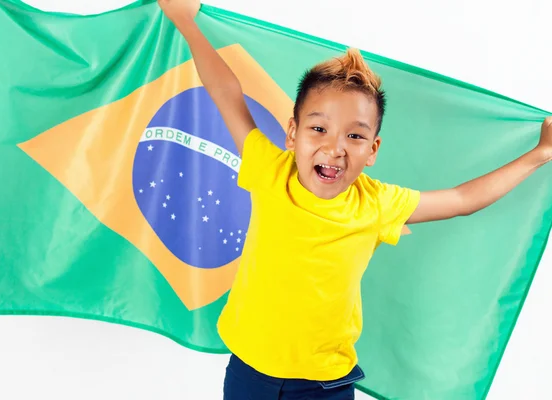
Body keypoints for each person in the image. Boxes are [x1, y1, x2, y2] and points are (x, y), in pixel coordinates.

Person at [158, 0, 552, 398]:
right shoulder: (269, 170)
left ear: (373, 150)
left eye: (355, 135)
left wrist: (539, 154)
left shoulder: (376, 204)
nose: (335, 148)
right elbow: (227, 93)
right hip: (248, 373)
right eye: (319, 128)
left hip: (323, 386)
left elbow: (462, 197)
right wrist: (186, 22)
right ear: (293, 133)